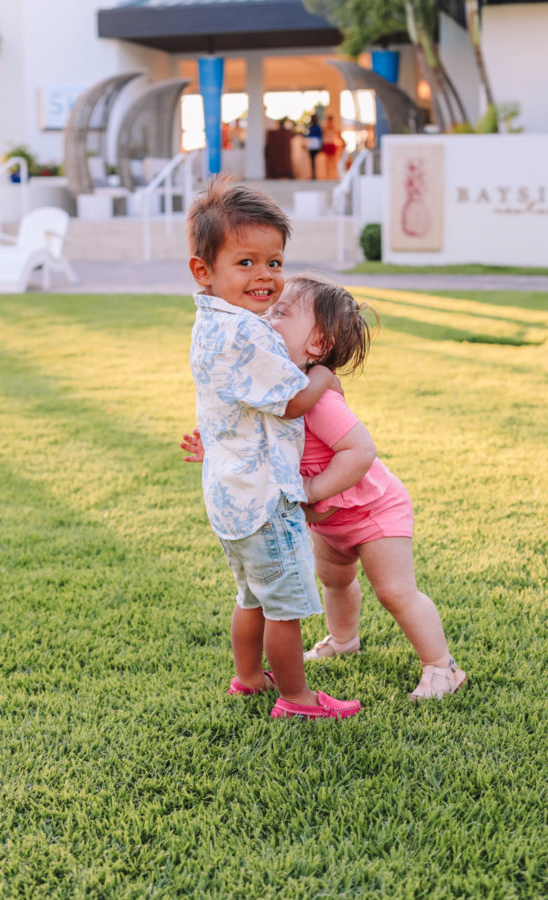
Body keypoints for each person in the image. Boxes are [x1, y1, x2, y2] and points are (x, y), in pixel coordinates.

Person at [182, 274, 467, 701]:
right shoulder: (276, 390)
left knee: (393, 591)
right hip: (329, 523)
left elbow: (360, 451)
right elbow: (259, 441)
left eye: (281, 313)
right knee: (334, 581)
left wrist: (312, 490)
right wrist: (219, 448)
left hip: (373, 511)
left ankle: (441, 667)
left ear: (316, 345)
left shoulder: (320, 400)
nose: (266, 317)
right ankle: (343, 640)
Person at [185, 176, 362, 720]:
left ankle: (246, 677)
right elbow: (289, 403)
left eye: (275, 263)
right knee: (284, 607)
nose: (265, 276)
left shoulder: (213, 322)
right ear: (204, 270)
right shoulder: (249, 334)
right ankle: (297, 698)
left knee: (251, 595)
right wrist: (323, 378)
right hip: (263, 498)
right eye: (246, 263)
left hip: (229, 493)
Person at [306, 114, 322, 180]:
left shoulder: (314, 127)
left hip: (314, 144)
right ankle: (313, 175)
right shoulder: (312, 127)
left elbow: (320, 136)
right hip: (313, 144)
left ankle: (314, 175)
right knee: (312, 160)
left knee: (313, 160)